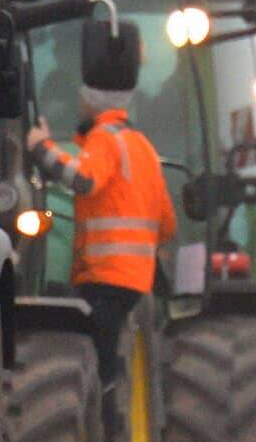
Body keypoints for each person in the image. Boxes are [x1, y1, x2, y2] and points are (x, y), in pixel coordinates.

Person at [32, 82, 174, 359]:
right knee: (105, 356)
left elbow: (84, 179)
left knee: (94, 355)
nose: (79, 105)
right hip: (136, 279)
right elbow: (167, 223)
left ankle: (105, 397)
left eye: (82, 99)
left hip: (105, 275)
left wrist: (41, 147)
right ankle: (107, 394)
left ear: (90, 103)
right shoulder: (143, 146)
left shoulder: (104, 138)